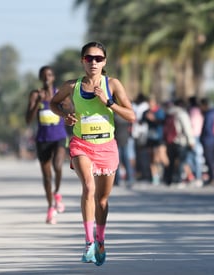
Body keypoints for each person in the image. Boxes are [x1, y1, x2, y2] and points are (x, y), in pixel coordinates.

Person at [49, 41, 135, 266]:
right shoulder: (72, 86)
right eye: (89, 58)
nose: (93, 62)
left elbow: (131, 115)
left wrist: (109, 103)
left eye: (98, 58)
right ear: (82, 61)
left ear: (104, 61)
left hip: (107, 146)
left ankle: (100, 240)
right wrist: (64, 116)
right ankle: (88, 244)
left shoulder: (113, 84)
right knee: (88, 187)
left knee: (103, 200)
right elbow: (53, 103)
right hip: (81, 144)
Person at [25, 65, 68, 225]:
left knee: (58, 165)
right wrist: (37, 102)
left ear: (53, 77)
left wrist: (64, 106)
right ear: (40, 78)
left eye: (49, 75)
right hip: (43, 139)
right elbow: (28, 120)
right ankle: (51, 207)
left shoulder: (60, 94)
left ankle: (57, 193)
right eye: (43, 75)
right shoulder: (35, 94)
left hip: (59, 137)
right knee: (47, 176)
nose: (46, 78)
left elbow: (71, 109)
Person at [141, 96, 168, 185]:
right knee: (152, 158)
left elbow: (163, 122)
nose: (150, 105)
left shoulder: (159, 111)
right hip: (150, 138)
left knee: (161, 157)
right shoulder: (146, 112)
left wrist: (153, 119)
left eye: (151, 103)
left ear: (155, 103)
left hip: (159, 138)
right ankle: (154, 177)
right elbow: (141, 121)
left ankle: (168, 172)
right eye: (149, 103)